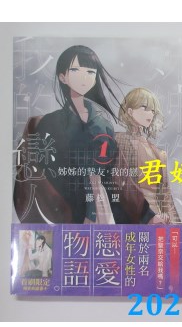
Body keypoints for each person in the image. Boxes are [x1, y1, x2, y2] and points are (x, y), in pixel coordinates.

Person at [14, 45, 160, 224]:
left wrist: (148, 216)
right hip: (63, 211)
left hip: (100, 205)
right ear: (63, 77)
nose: (84, 77)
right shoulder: (49, 124)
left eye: (91, 72)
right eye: (76, 70)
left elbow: (119, 177)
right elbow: (37, 177)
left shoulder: (103, 126)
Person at [116, 88, 181, 224]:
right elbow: (119, 187)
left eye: (152, 110)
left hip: (158, 220)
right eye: (144, 108)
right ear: (129, 111)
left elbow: (166, 196)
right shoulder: (118, 141)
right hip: (132, 218)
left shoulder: (158, 153)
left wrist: (177, 227)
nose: (150, 114)